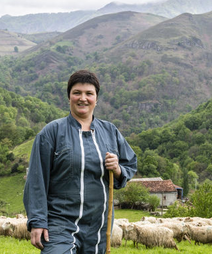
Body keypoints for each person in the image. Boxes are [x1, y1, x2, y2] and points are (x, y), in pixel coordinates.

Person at [23, 70, 137, 254]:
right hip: (60, 225)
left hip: (99, 228)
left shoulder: (110, 132)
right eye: (77, 93)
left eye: (89, 93)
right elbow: (36, 181)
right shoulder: (51, 132)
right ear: (69, 97)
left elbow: (130, 165)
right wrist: (37, 222)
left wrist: (117, 169)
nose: (82, 98)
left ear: (96, 98)